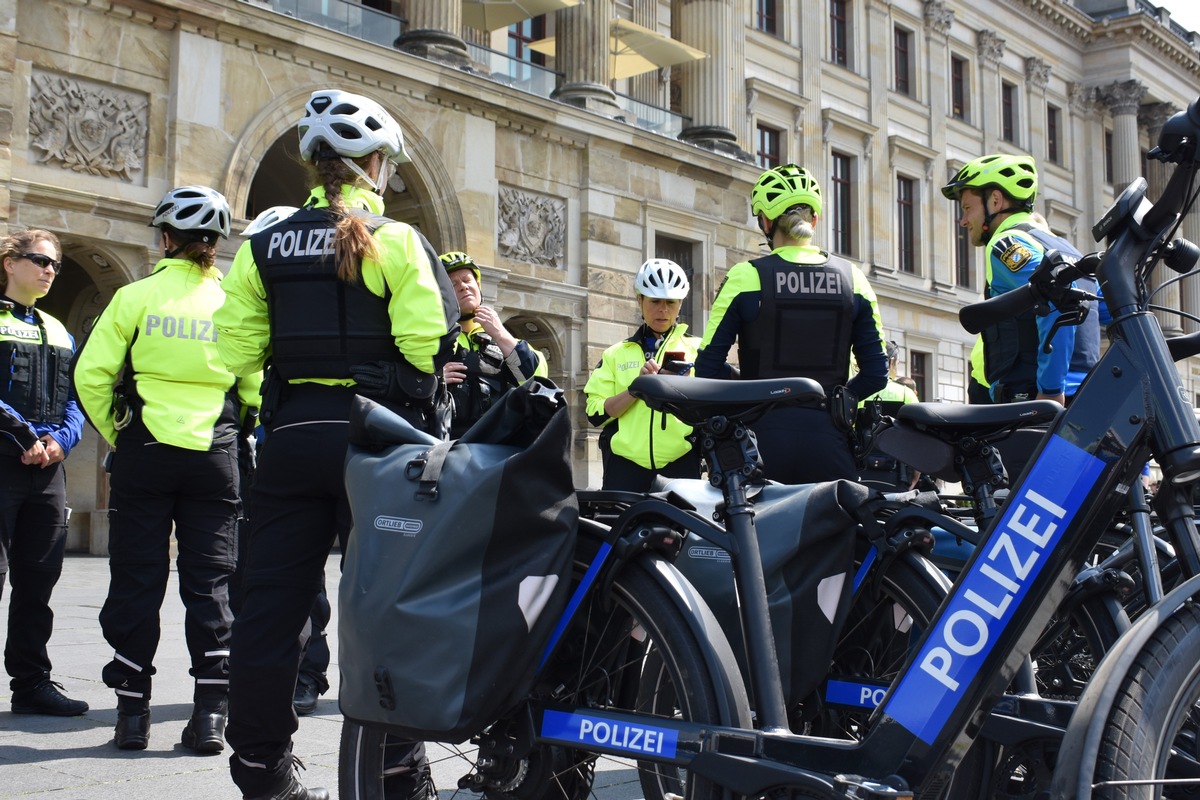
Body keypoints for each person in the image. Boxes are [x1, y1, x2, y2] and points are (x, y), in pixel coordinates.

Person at [214, 88, 458, 800]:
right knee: (387, 608)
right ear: (373, 165)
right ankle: (396, 769)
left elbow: (236, 349)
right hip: (376, 444)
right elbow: (424, 343)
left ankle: (260, 772)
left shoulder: (264, 245)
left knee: (270, 610)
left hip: (292, 436)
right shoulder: (400, 241)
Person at [72, 186, 261, 752]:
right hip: (214, 456)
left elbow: (91, 375)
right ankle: (209, 718)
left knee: (137, 578)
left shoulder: (135, 297)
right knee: (211, 584)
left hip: (146, 453)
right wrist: (236, 432)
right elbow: (254, 385)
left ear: (165, 238)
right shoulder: (232, 302)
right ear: (215, 243)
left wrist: (120, 432)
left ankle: (132, 715)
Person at [695, 164, 889, 484]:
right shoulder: (852, 278)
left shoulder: (747, 276)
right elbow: (877, 373)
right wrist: (838, 399)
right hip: (829, 437)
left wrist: (754, 390)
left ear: (767, 222)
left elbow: (708, 368)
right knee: (836, 532)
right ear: (814, 220)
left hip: (761, 441)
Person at [0, 229, 88, 717]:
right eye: (38, 260)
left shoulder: (59, 329)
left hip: (46, 469)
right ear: (10, 262)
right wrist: (25, 436)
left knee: (39, 581)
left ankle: (31, 684)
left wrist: (61, 440)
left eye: (54, 263)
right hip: (5, 459)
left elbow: (76, 398)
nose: (50, 270)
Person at [942, 154, 1100, 405]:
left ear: (994, 201)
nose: (962, 221)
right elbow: (1102, 310)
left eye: (967, 208)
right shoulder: (1067, 248)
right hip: (1084, 391)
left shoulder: (1006, 244)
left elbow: (1058, 303)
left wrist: (1050, 389)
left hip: (1030, 395)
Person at [584, 258, 702, 491]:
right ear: (640, 300)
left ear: (680, 304)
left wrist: (683, 390)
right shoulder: (615, 354)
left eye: (671, 302)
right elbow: (594, 414)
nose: (663, 309)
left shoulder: (699, 351)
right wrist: (636, 389)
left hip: (681, 465)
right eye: (655, 301)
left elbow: (715, 411)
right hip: (625, 468)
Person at [439, 251, 547, 438]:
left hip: (494, 449)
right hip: (444, 446)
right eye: (453, 284)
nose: (463, 287)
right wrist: (433, 380)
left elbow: (536, 381)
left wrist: (499, 333)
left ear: (478, 285)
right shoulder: (430, 339)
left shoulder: (502, 339)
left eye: (467, 280)